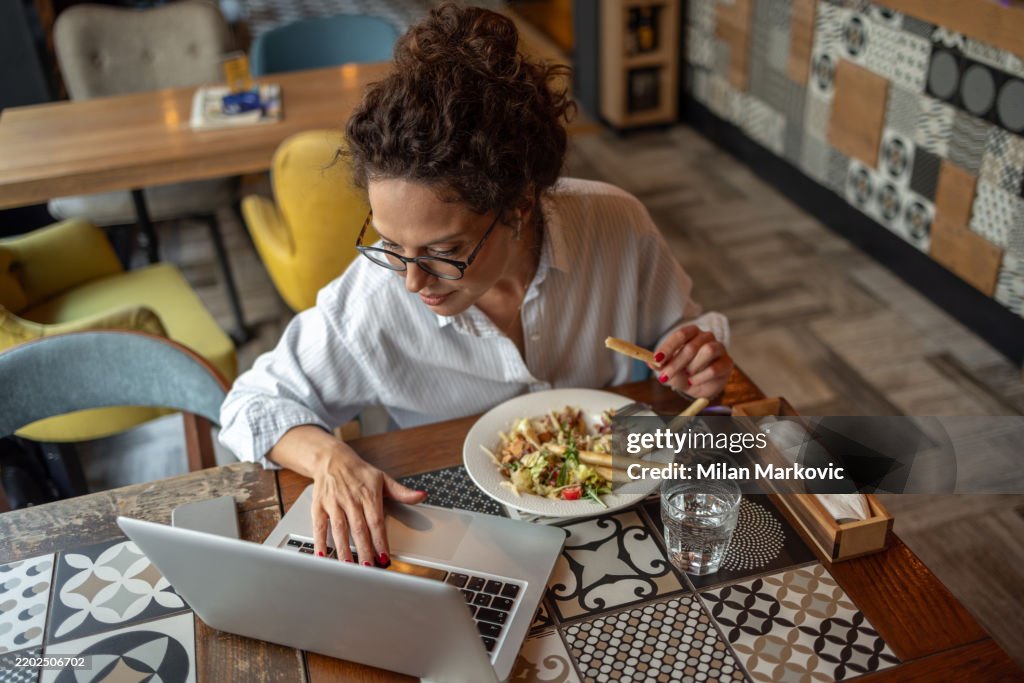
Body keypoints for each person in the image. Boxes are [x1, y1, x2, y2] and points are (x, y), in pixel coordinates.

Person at [219, 2, 732, 568]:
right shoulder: (371, 299)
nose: (412, 281)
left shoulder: (617, 224)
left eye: (445, 252)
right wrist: (330, 460)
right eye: (390, 242)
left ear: (518, 208)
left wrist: (697, 357)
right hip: (463, 532)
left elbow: (679, 333)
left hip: (621, 518)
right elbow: (252, 404)